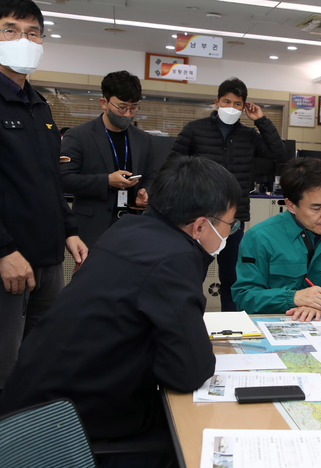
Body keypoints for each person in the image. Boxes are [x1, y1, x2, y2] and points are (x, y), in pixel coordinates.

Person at [0, 156, 240, 464]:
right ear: (200, 226)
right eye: (229, 225)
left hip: (30, 403)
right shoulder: (174, 260)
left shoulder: (128, 229)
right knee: (188, 436)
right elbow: (188, 372)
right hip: (67, 428)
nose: (228, 234)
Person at [0, 0, 87, 390]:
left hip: (48, 258)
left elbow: (50, 177)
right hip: (9, 261)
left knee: (44, 357)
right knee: (6, 365)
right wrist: (3, 250)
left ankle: (34, 437)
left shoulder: (39, 105)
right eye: (11, 30)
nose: (24, 40)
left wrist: (69, 229)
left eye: (33, 33)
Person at [170, 77, 285, 311]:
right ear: (217, 102)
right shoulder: (195, 130)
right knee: (192, 273)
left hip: (233, 218)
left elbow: (279, 154)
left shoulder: (249, 136)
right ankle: (185, 319)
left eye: (237, 104)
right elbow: (172, 166)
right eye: (227, 101)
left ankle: (231, 323)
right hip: (199, 215)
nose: (231, 108)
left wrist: (261, 120)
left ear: (244, 107)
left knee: (232, 277)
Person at [233, 157, 321, 321]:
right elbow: (245, 296)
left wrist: (320, 305)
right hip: (276, 325)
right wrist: (293, 298)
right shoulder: (260, 237)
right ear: (290, 205)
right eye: (316, 207)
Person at [60, 70, 156, 249]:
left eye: (133, 107)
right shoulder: (79, 136)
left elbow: (151, 175)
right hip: (93, 227)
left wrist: (146, 191)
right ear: (104, 102)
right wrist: (107, 181)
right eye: (121, 107)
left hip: (133, 225)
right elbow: (64, 179)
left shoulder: (143, 139)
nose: (127, 114)